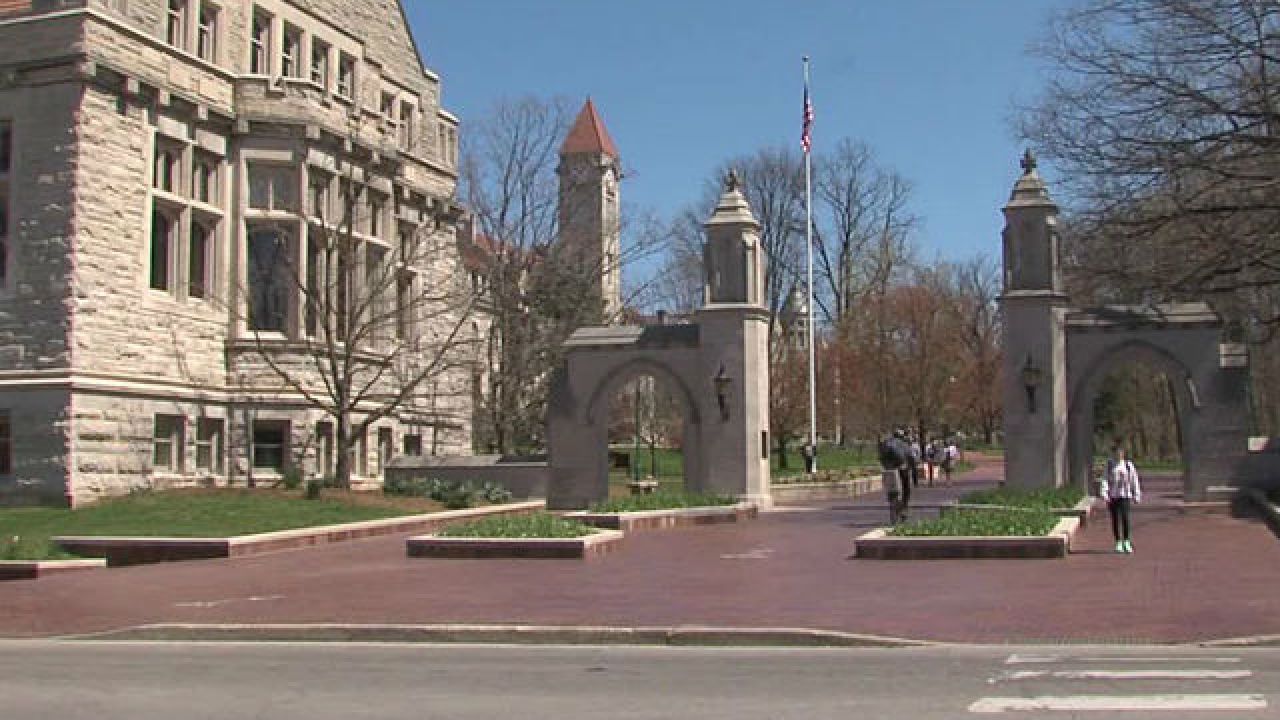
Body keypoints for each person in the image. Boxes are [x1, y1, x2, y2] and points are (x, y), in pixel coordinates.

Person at [1099, 442, 1142, 553]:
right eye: (1116, 452)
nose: (1119, 454)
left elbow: (1134, 480)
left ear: (1123, 454)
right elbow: (1105, 479)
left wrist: (1136, 494)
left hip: (1125, 495)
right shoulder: (1109, 465)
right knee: (1115, 520)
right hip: (1113, 496)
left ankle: (1126, 541)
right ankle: (1118, 541)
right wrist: (1104, 493)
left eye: (1121, 452)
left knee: (1125, 518)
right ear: (1113, 453)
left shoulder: (1128, 465)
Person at [877, 430, 910, 524]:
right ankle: (904, 507)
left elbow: (880, 457)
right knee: (906, 489)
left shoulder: (886, 443)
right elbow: (911, 456)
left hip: (889, 469)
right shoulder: (904, 444)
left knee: (890, 489)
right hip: (902, 469)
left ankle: (892, 504)